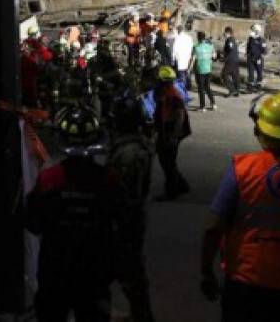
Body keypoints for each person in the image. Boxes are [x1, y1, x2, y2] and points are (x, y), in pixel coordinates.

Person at [200, 93, 280, 322]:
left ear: (265, 133)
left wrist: (206, 272)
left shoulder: (242, 169)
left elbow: (213, 227)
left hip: (247, 279)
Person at [26, 105, 123, 322]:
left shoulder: (49, 179)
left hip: (55, 269)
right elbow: (122, 221)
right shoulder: (109, 178)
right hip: (95, 272)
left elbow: (33, 223)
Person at [109, 97, 155, 322]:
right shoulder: (135, 144)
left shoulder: (129, 152)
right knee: (131, 268)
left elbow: (124, 192)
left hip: (127, 218)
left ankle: (142, 314)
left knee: (129, 270)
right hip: (132, 216)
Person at [153, 66, 191, 201]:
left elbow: (179, 116)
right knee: (168, 161)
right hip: (167, 131)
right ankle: (182, 184)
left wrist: (173, 136)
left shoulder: (172, 95)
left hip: (171, 132)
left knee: (167, 161)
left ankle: (171, 191)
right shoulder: (164, 92)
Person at [193, 31, 216, 112]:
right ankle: (213, 103)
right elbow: (214, 56)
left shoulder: (196, 46)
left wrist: (189, 69)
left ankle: (202, 107)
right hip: (208, 69)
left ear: (198, 38)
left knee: (201, 89)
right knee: (208, 87)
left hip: (200, 70)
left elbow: (193, 59)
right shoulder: (210, 46)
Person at [220, 27, 241, 97]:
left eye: (224, 33)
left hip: (230, 61)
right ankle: (237, 90)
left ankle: (232, 90)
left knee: (224, 74)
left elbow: (230, 49)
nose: (223, 34)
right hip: (235, 60)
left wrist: (224, 58)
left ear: (227, 33)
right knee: (235, 75)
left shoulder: (230, 40)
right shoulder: (232, 39)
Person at [172, 25, 194, 91]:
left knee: (181, 74)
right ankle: (188, 86)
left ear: (178, 30)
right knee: (187, 72)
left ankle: (183, 87)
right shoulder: (189, 37)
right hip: (187, 57)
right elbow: (191, 47)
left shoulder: (177, 38)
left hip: (180, 58)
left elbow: (174, 49)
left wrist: (173, 59)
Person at [246, 24, 266, 92]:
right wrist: (247, 54)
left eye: (253, 30)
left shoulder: (261, 39)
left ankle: (258, 87)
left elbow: (264, 50)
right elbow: (248, 47)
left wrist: (260, 57)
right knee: (251, 73)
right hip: (251, 58)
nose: (252, 31)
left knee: (259, 73)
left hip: (258, 58)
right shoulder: (250, 38)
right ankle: (250, 88)